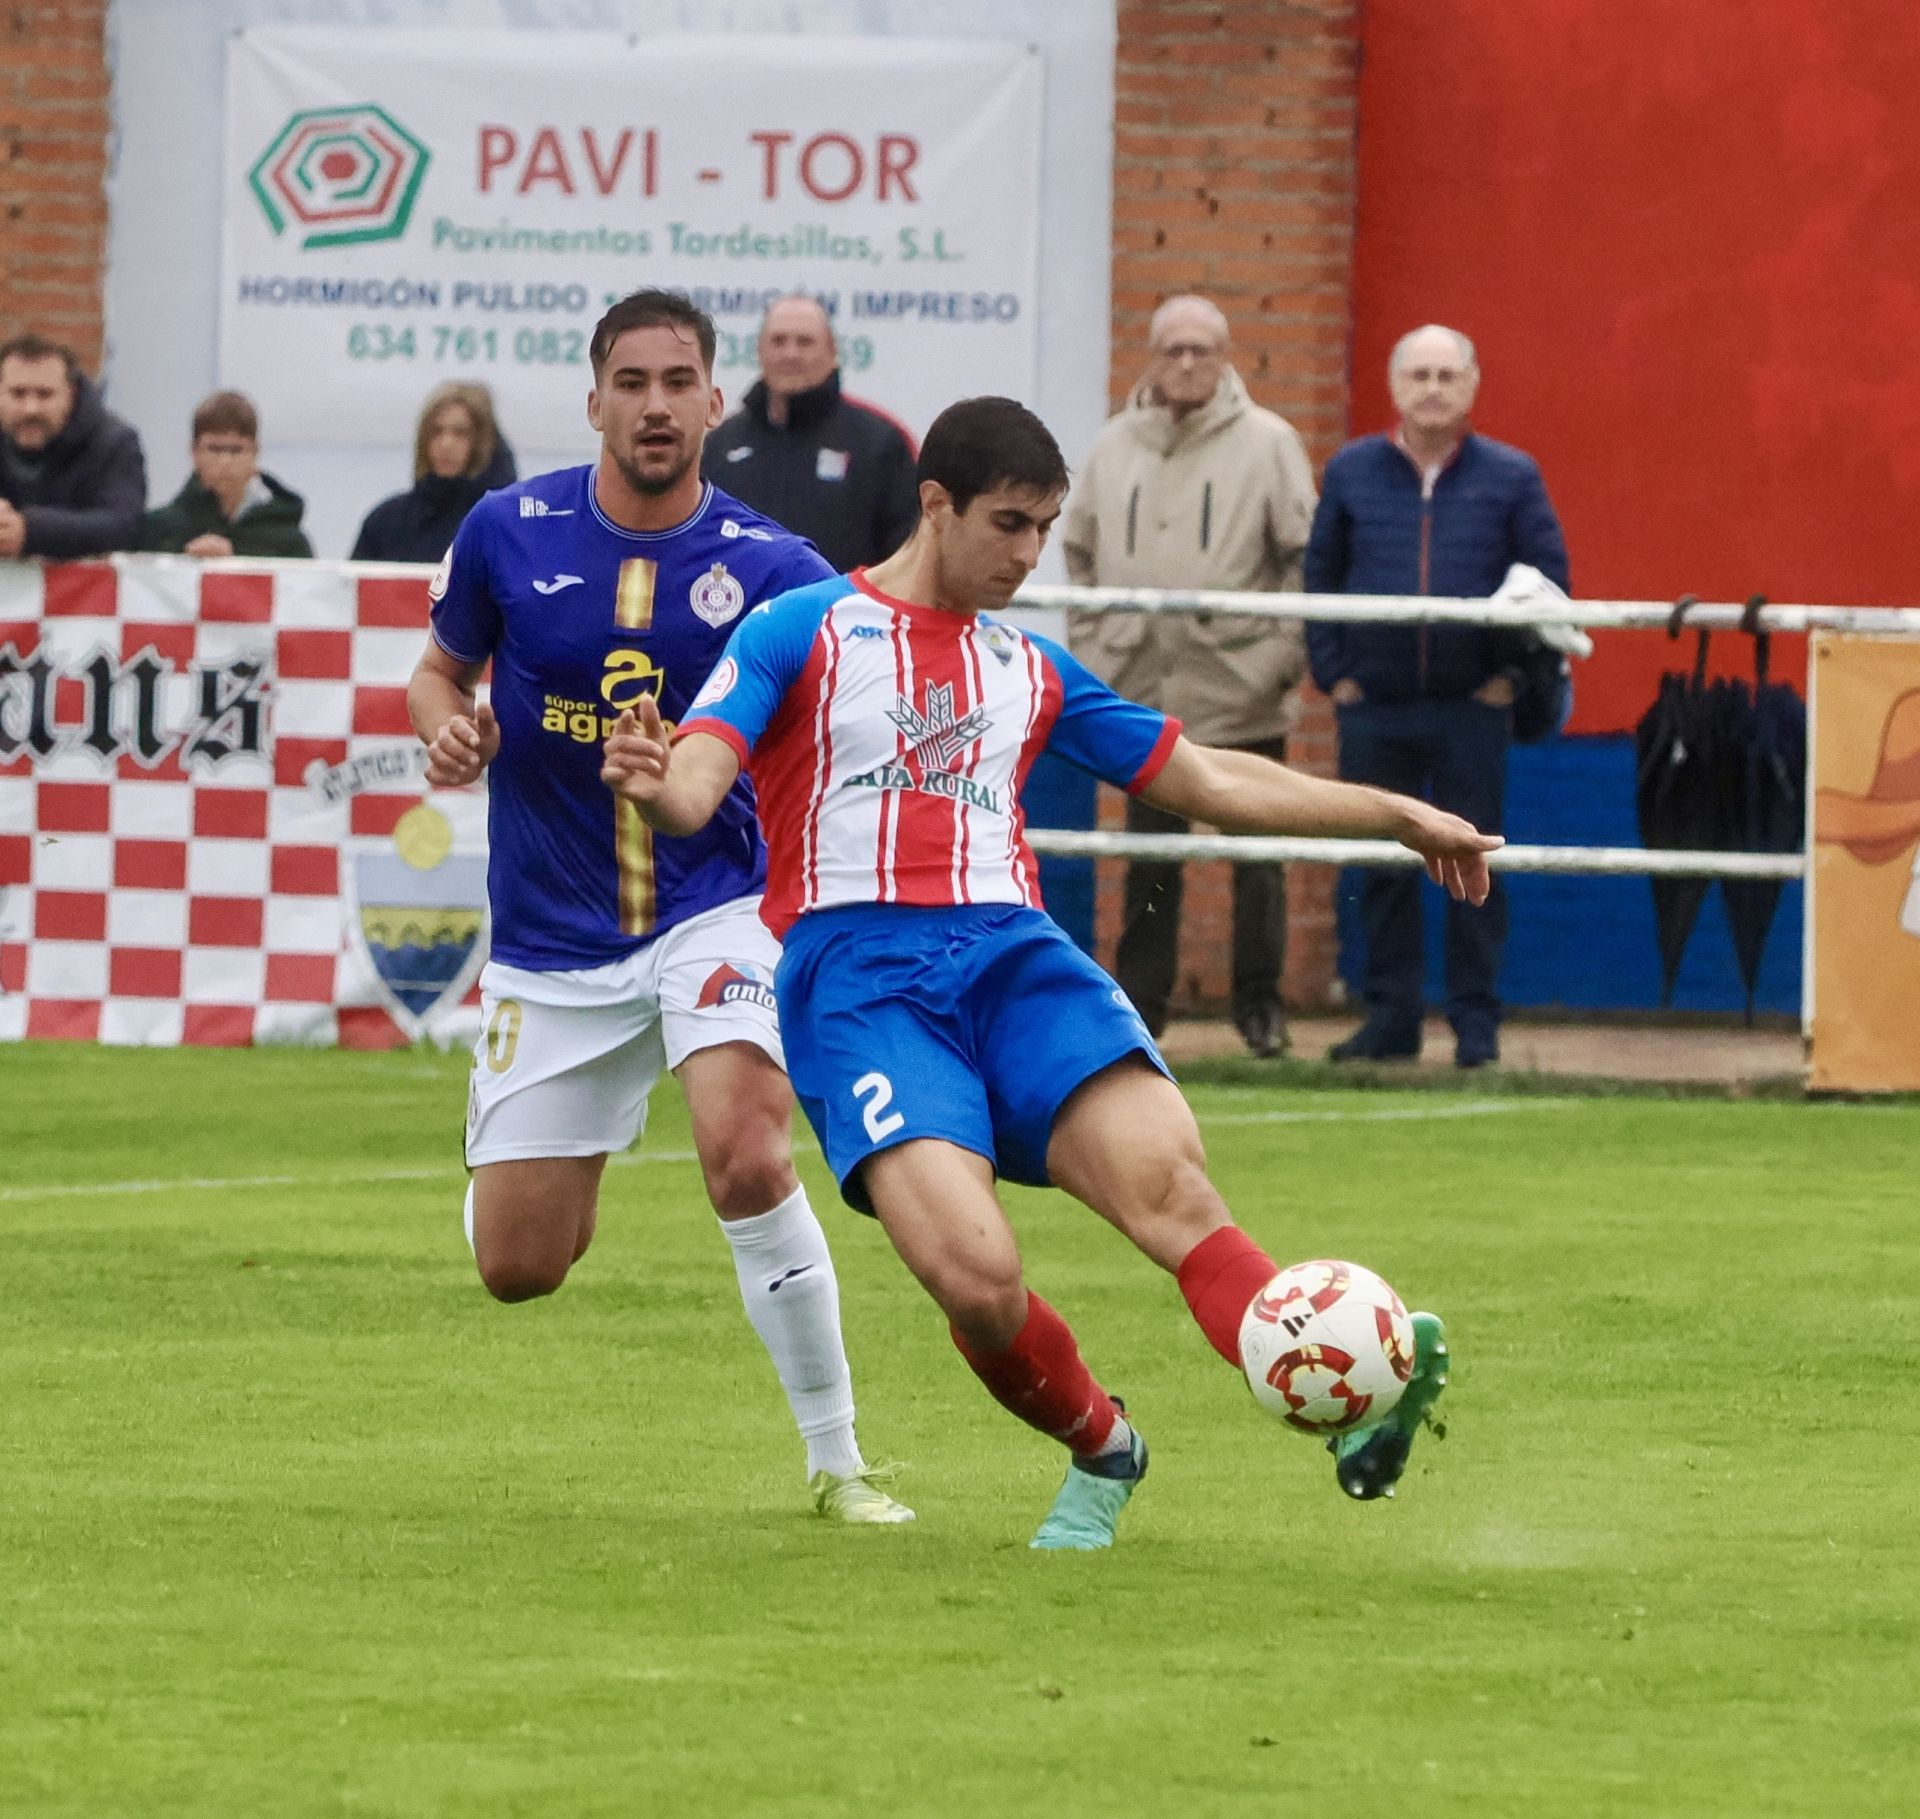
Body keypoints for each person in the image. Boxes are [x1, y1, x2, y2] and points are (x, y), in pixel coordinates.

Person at [602, 395, 1495, 1549]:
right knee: (975, 1279)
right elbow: (694, 786)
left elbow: (1214, 782)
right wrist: (649, 772)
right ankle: (1103, 1444)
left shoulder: (1030, 666)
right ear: (938, 506)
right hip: (860, 982)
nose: (1029, 555)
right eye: (1010, 525)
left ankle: (1347, 1402)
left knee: (1175, 1190)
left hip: (1014, 960)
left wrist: (1398, 816)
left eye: (1046, 528)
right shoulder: (802, 631)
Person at [406, 290, 911, 1524]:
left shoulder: (776, 570)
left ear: (712, 404)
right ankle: (547, 1133)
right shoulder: (504, 531)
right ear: (594, 401)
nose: (653, 404)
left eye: (677, 381)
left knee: (745, 1151)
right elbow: (437, 673)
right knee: (521, 1267)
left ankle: (840, 1462)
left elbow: (840, 732)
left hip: (715, 909)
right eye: (630, 382)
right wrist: (451, 735)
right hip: (553, 942)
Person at [1305, 325, 1570, 1069]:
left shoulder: (1513, 476)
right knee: (1383, 871)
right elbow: (1318, 575)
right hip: (1377, 707)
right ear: (1394, 385)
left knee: (1474, 870)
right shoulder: (1352, 470)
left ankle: (1475, 1027)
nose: (1431, 387)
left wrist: (1509, 683)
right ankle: (1389, 1018)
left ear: (1471, 385)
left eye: (1445, 374)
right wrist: (1337, 674)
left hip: (1468, 708)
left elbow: (1549, 584)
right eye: (1417, 373)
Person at [1062, 295, 1317, 1057]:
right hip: (1140, 687)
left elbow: (1305, 558)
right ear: (1150, 356)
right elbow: (1077, 553)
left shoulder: (1272, 442)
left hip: (1240, 683)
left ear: (1226, 355)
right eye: (1172, 349)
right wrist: (1097, 648)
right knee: (1150, 860)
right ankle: (1140, 1010)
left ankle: (1260, 1005)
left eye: (1201, 350)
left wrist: (1279, 655)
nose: (1186, 363)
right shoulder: (1113, 446)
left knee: (1258, 859)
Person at [700, 294, 919, 573]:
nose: (790, 354)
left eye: (804, 342)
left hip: (841, 614)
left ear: (832, 352)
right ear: (759, 351)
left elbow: (906, 557)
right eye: (778, 341)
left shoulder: (879, 444)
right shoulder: (721, 444)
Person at [0, 333, 146, 560]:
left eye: (45, 394)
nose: (31, 409)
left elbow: (125, 526)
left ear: (70, 394)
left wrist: (31, 531)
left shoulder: (114, 442)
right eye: (18, 394)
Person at [353, 381, 517, 563]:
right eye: (436, 431)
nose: (446, 444)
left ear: (483, 443)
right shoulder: (386, 522)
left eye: (460, 433)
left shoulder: (505, 528)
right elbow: (351, 587)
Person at [140, 391, 312, 558]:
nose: (225, 461)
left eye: (236, 450)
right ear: (194, 452)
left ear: (255, 453)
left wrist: (236, 561)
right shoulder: (160, 530)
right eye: (214, 449)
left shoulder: (289, 541)